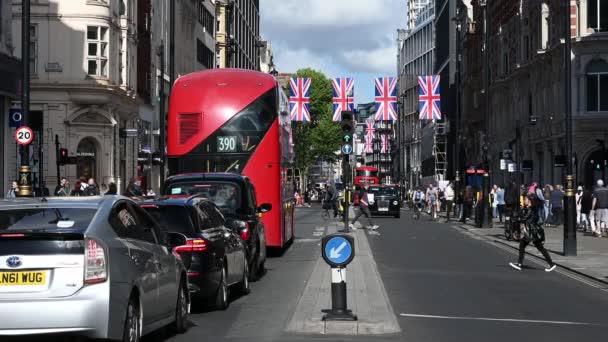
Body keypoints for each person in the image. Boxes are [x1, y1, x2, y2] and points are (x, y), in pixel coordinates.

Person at [509, 194, 556, 272]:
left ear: (529, 201)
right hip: (531, 232)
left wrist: (516, 219)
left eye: (525, 199)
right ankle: (550, 264)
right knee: (533, 246)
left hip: (533, 232)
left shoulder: (532, 209)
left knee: (526, 246)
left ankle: (520, 263)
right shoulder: (529, 208)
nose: (524, 201)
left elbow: (524, 218)